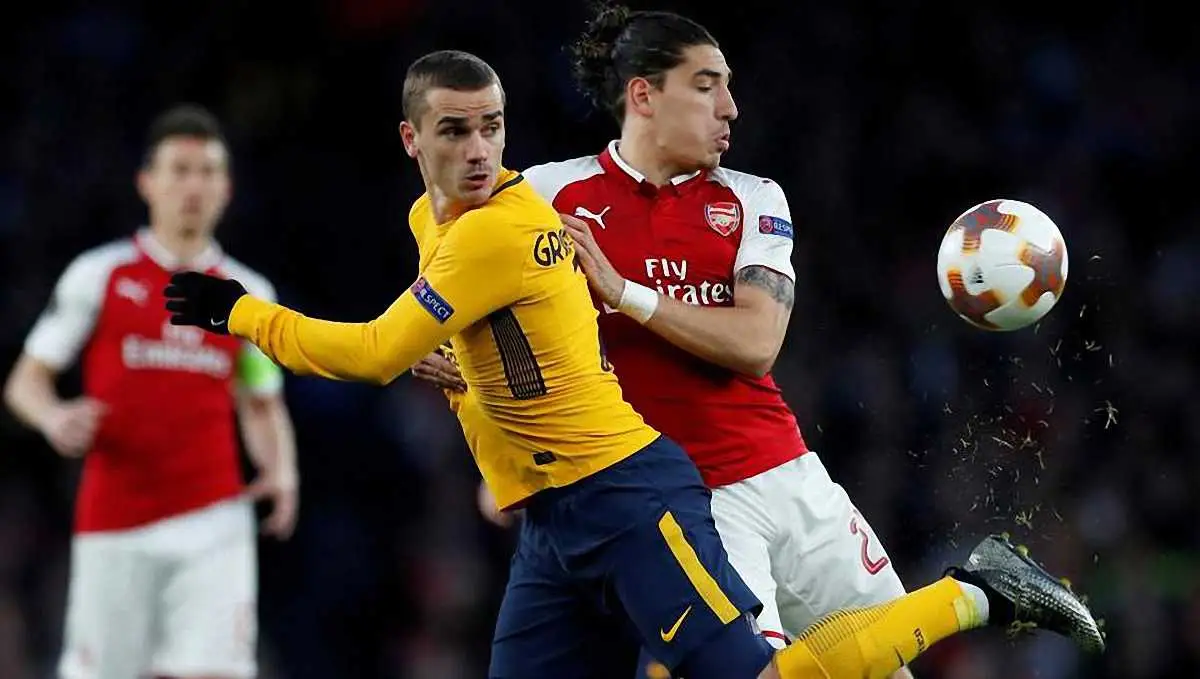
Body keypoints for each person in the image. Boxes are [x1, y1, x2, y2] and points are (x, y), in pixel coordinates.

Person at [162, 51, 1103, 679]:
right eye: (455, 131)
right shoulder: (434, 223)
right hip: (554, 521)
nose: (481, 149)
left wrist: (240, 312)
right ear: (412, 140)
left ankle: (976, 589)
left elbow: (373, 355)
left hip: (626, 495)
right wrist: (480, 406)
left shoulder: (501, 228)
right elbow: (521, 350)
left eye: (493, 126)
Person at [414, 6, 910, 675]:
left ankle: (974, 595)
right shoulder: (544, 195)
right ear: (643, 95)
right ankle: (973, 594)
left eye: (728, 87)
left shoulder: (754, 198)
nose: (730, 108)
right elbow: (475, 310)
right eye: (706, 87)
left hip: (790, 475)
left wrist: (623, 292)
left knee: (892, 665)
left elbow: (756, 343)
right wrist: (497, 448)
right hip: (687, 504)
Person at [4, 104, 299, 679]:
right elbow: (26, 381)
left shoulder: (248, 293)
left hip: (213, 520)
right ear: (147, 182)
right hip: (116, 518)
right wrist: (53, 417)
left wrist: (281, 469)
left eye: (208, 171)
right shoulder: (101, 274)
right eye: (180, 170)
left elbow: (261, 399)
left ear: (226, 188)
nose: (194, 186)